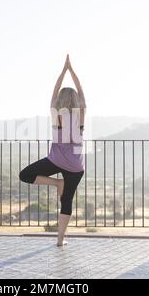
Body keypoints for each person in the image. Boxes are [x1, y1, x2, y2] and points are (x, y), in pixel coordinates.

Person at [19, 54, 86, 246]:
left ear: (59, 100)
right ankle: (60, 240)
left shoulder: (55, 111)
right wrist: (71, 70)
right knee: (67, 202)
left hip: (55, 160)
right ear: (76, 100)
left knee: (25, 175)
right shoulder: (81, 112)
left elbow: (55, 90)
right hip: (75, 166)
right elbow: (80, 89)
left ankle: (57, 183)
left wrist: (63, 70)